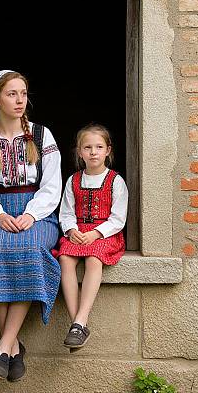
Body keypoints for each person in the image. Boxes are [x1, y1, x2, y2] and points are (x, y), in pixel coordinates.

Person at [0, 70, 61, 382]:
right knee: (1, 249)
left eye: (23, 93)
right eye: (11, 94)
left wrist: (32, 214)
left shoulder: (42, 135)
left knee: (31, 247)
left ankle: (4, 344)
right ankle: (14, 347)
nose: (20, 100)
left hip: (38, 213)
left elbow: (51, 186)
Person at [53, 124, 128, 351]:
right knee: (65, 258)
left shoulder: (115, 181)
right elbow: (66, 212)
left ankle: (79, 320)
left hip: (105, 233)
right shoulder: (73, 180)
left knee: (94, 259)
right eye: (88, 147)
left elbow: (118, 218)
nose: (93, 152)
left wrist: (96, 233)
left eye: (98, 147)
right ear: (79, 152)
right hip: (78, 232)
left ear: (108, 150)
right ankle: (78, 326)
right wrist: (71, 230)